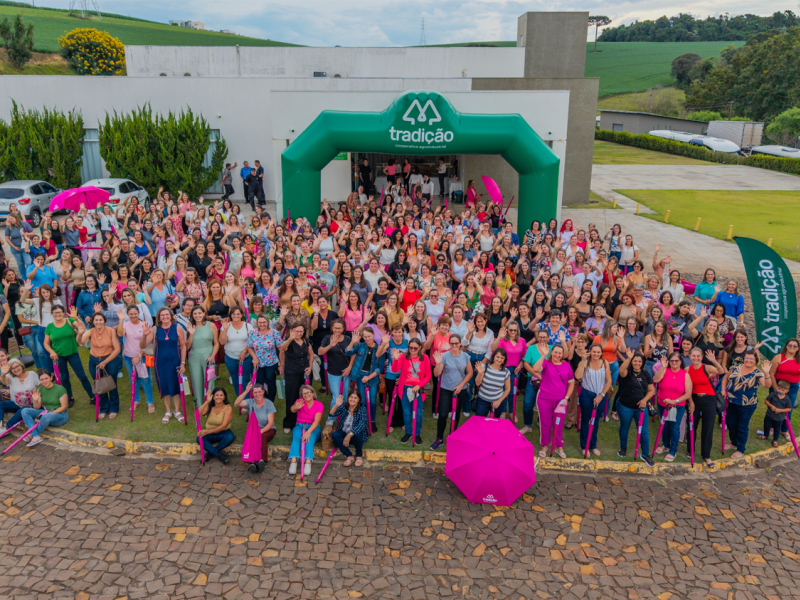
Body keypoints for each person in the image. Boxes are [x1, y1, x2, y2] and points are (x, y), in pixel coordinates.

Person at [722, 350, 772, 459]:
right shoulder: (735, 367)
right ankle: (733, 443)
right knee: (731, 423)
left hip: (747, 405)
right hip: (732, 401)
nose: (748, 360)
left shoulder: (757, 373)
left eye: (751, 358)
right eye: (747, 358)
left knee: (742, 426)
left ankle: (740, 449)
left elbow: (767, 385)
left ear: (756, 360)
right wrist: (722, 390)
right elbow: (726, 378)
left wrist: (767, 373)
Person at [141, 307, 187, 424]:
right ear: (159, 317)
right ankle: (168, 411)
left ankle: (177, 410)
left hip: (175, 362)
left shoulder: (178, 328)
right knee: (164, 386)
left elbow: (183, 346)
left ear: (171, 315)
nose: (165, 317)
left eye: (167, 314)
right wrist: (144, 335)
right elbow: (142, 346)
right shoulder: (155, 329)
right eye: (162, 315)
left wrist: (182, 363)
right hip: (160, 363)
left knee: (176, 386)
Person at [530, 344, 575, 458]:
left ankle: (558, 446)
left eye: (560, 353)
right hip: (544, 398)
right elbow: (535, 369)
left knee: (558, 424)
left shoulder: (566, 366)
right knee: (545, 423)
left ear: (562, 354)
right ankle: (545, 445)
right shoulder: (546, 362)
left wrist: (566, 398)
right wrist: (544, 355)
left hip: (561, 400)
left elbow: (571, 383)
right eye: (555, 352)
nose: (557, 355)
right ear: (551, 352)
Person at [430, 334, 473, 450]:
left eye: (456, 343)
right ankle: (439, 438)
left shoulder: (465, 356)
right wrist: (438, 363)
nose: (454, 345)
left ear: (460, 344)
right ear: (449, 344)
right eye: (452, 343)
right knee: (443, 414)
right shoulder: (444, 356)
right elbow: (436, 374)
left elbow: (470, 373)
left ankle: (452, 435)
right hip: (446, 388)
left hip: (460, 390)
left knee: (456, 413)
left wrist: (461, 385)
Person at [44, 306, 92, 407]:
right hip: (58, 356)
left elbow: (81, 327)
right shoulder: (49, 326)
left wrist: (76, 318)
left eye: (60, 312)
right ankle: (70, 397)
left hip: (73, 353)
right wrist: (51, 352)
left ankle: (92, 396)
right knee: (64, 377)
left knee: (82, 376)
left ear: (63, 313)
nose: (58, 314)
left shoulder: (69, 321)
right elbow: (46, 343)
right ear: (52, 314)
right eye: (55, 313)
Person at [687, 348, 726, 468]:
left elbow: (721, 371)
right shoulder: (687, 370)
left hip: (709, 399)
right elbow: (687, 388)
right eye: (693, 356)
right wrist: (690, 402)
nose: (696, 358)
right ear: (690, 357)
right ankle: (690, 450)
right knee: (692, 424)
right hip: (694, 399)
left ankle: (706, 455)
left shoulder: (707, 367)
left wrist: (714, 361)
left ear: (702, 356)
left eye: (698, 356)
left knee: (708, 427)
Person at [616, 349, 655, 467]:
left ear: (642, 362)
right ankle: (623, 447)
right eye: (635, 361)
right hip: (625, 406)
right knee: (625, 427)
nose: (637, 363)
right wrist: (628, 358)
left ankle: (645, 454)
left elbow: (651, 390)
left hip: (641, 408)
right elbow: (621, 371)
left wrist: (644, 400)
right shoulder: (627, 372)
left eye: (639, 361)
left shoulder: (646, 374)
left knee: (644, 431)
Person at [389, 338, 432, 445]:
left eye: (415, 348)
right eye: (410, 347)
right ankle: (408, 432)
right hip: (405, 389)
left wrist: (418, 385)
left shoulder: (425, 358)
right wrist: (395, 359)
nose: (412, 350)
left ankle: (416, 433)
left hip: (418, 389)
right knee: (407, 412)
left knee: (418, 412)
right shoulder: (403, 356)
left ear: (420, 347)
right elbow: (395, 370)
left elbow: (428, 376)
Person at [652, 353, 693, 462]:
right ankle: (665, 445)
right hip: (662, 404)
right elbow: (655, 380)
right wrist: (663, 367)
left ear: (680, 362)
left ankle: (673, 450)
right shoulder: (665, 370)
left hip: (677, 406)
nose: (674, 363)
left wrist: (674, 401)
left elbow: (688, 394)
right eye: (672, 361)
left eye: (676, 361)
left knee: (674, 427)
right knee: (664, 425)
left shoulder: (685, 375)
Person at [79, 313, 121, 419]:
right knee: (100, 385)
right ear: (93, 321)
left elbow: (117, 349)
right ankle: (104, 408)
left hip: (109, 360)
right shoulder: (90, 331)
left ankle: (114, 408)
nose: (98, 322)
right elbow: (80, 343)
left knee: (111, 384)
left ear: (104, 321)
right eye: (96, 320)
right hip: (94, 361)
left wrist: (105, 362)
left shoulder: (111, 331)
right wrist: (80, 333)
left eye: (100, 320)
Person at [573, 343, 612, 456]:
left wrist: (601, 395)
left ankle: (593, 445)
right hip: (587, 394)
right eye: (594, 351)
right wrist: (582, 360)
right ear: (590, 351)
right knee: (585, 420)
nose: (596, 354)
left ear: (601, 353)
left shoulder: (605, 363)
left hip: (601, 396)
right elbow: (577, 376)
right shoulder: (585, 362)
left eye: (598, 352)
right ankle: (584, 446)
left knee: (595, 421)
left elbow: (608, 381)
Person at [345, 327, 385, 432]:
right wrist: (352, 343)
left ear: (373, 335)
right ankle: (362, 420)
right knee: (362, 400)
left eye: (369, 336)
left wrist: (369, 377)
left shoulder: (379, 348)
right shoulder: (360, 346)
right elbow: (347, 353)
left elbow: (380, 367)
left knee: (372, 400)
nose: (367, 338)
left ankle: (372, 421)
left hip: (372, 376)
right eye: (365, 336)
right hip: (360, 375)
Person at [117, 304, 155, 413]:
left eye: (135, 313)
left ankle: (150, 402)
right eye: (130, 314)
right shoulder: (125, 324)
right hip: (129, 357)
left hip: (141, 357)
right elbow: (120, 334)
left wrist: (139, 356)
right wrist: (121, 320)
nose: (133, 316)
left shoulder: (144, 325)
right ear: (128, 314)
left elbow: (147, 344)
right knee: (133, 380)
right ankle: (136, 400)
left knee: (145, 379)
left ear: (138, 313)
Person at [18, 370, 69, 447]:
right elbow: (37, 407)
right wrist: (35, 400)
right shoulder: (41, 389)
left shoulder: (60, 389)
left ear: (51, 378)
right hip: (46, 413)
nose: (44, 381)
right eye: (42, 379)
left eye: (46, 378)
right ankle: (35, 436)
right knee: (24, 411)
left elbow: (64, 406)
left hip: (60, 415)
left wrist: (49, 413)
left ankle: (34, 434)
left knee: (46, 416)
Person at [234, 382, 276, 472]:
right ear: (252, 394)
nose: (257, 394)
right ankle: (253, 462)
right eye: (255, 392)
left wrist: (259, 432)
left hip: (268, 429)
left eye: (259, 392)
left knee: (261, 437)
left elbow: (270, 423)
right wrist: (246, 391)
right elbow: (236, 403)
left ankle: (262, 460)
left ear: (263, 392)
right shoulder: (250, 402)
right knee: (252, 439)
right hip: (254, 429)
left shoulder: (269, 404)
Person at [279, 324, 314, 433]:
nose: (299, 333)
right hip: (292, 373)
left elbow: (311, 354)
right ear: (292, 330)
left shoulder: (306, 341)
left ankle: (306, 419)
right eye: (296, 331)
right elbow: (282, 348)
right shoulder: (288, 341)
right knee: (292, 397)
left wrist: (310, 367)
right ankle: (289, 422)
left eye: (301, 331)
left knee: (307, 396)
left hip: (305, 373)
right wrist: (290, 338)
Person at [318, 319, 353, 422]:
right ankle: (331, 418)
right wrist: (330, 345)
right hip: (333, 372)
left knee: (345, 396)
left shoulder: (347, 339)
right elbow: (320, 352)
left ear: (343, 329)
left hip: (346, 372)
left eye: (339, 328)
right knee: (337, 397)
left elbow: (353, 354)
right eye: (335, 327)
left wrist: (350, 367)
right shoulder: (327, 338)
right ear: (332, 328)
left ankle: (344, 416)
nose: (337, 330)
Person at [219, 307, 256, 402]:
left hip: (245, 357)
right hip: (230, 357)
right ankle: (239, 398)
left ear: (242, 315)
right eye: (233, 314)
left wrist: (244, 352)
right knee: (235, 378)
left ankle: (247, 400)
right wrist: (225, 330)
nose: (236, 316)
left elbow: (251, 342)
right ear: (230, 315)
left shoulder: (248, 326)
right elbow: (222, 342)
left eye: (238, 314)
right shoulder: (226, 326)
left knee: (245, 379)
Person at [185, 306, 219, 406]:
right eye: (195, 314)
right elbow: (187, 346)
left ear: (204, 313)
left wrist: (212, 356)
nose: (197, 315)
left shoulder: (211, 325)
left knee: (210, 382)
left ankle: (210, 404)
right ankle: (199, 405)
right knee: (196, 381)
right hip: (194, 357)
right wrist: (191, 334)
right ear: (192, 315)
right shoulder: (191, 327)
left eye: (199, 313)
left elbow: (216, 343)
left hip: (208, 356)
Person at [288, 384, 324, 476]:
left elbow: (317, 421)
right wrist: (296, 407)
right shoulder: (299, 401)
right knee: (296, 437)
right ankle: (293, 461)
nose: (306, 395)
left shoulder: (319, 405)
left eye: (308, 392)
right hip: (300, 426)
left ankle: (308, 462)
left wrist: (308, 432)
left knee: (310, 438)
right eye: (304, 393)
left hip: (313, 427)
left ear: (313, 393)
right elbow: (292, 410)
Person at [330, 390, 370, 467]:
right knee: (335, 435)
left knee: (358, 435)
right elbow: (331, 414)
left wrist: (349, 435)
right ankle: (349, 455)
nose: (352, 399)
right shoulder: (345, 406)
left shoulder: (362, 409)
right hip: (344, 432)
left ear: (359, 400)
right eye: (351, 397)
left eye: (355, 398)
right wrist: (336, 405)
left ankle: (359, 455)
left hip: (355, 434)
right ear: (348, 398)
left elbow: (361, 424)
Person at [249, 314, 282, 403]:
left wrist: (281, 365)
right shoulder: (253, 333)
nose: (262, 324)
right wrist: (254, 357)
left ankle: (270, 402)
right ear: (257, 323)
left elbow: (281, 348)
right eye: (260, 322)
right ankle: (262, 401)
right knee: (259, 384)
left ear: (267, 322)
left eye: (264, 322)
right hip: (258, 363)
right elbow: (249, 347)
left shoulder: (274, 333)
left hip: (271, 363)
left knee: (271, 383)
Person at [0, 358, 39, 433]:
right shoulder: (11, 377)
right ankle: (0, 426)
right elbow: (4, 381)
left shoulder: (32, 374)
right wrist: (3, 374)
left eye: (17, 366)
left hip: (30, 405)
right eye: (12, 368)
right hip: (16, 404)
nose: (15, 369)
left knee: (24, 410)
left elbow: (40, 387)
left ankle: (6, 428)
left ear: (21, 365)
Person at [198, 387, 235, 464]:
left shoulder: (228, 408)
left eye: (221, 395)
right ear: (213, 397)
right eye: (217, 395)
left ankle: (210, 453)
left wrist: (207, 431)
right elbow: (197, 415)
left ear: (224, 397)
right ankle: (218, 455)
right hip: (211, 434)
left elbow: (223, 426)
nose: (219, 397)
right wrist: (207, 402)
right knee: (199, 439)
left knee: (230, 437)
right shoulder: (209, 406)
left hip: (223, 432)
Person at [474, 349, 511, 418]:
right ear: (493, 357)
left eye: (502, 358)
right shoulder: (485, 367)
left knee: (494, 423)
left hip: (497, 401)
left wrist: (499, 401)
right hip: (483, 400)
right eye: (497, 357)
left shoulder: (506, 372)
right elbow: (477, 383)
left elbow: (507, 389)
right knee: (479, 421)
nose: (499, 359)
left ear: (504, 360)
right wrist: (480, 373)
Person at [763, 381, 792, 449]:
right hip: (769, 415)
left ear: (787, 391)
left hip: (779, 418)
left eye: (783, 390)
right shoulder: (773, 394)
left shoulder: (787, 399)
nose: (780, 391)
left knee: (777, 429)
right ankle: (765, 435)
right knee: (766, 426)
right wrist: (771, 406)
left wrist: (780, 410)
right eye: (779, 388)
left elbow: (789, 409)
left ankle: (775, 440)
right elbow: (766, 401)